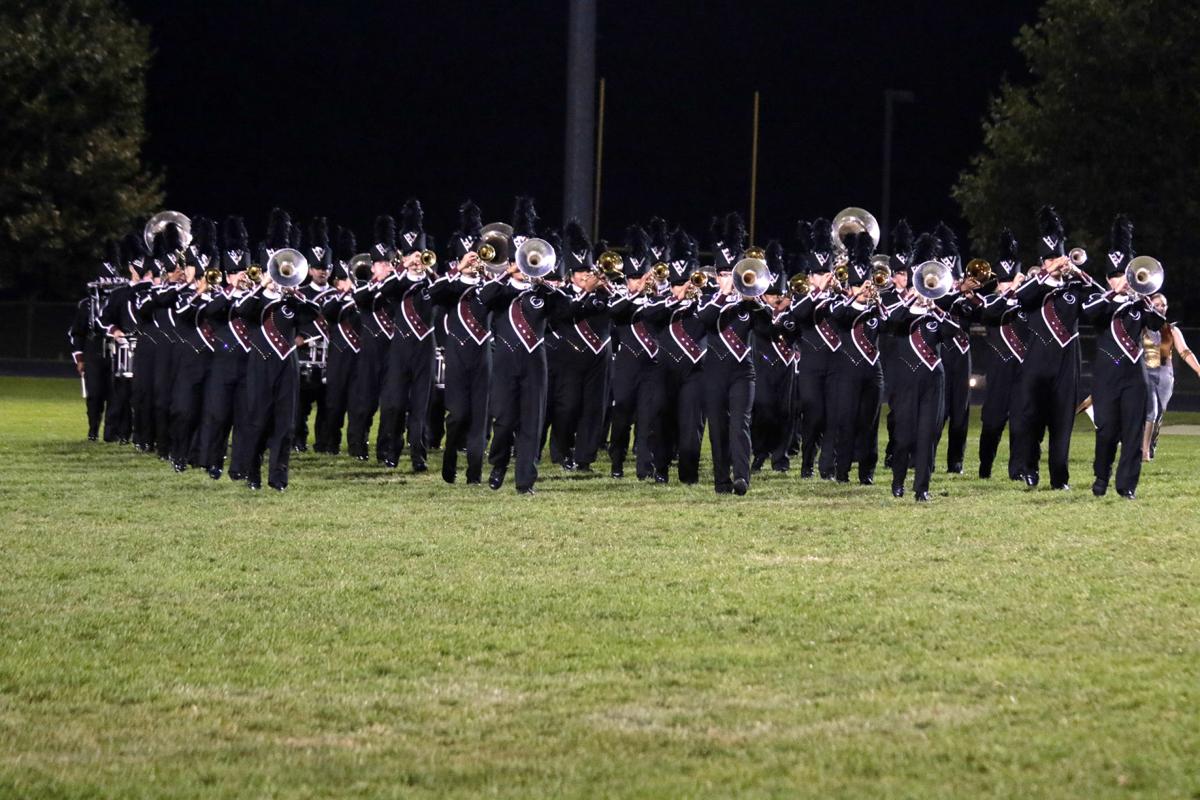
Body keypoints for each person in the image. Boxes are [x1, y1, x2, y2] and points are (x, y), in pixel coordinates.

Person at [480, 222, 570, 495]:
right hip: (505, 362)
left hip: (535, 364)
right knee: (504, 420)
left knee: (532, 422)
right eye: (519, 261)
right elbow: (484, 297)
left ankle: (525, 481)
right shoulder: (502, 293)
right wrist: (506, 275)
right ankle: (498, 463)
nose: (524, 267)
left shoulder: (542, 294)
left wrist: (545, 284)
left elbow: (566, 310)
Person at [1082, 215, 1166, 499]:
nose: (1123, 280)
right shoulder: (1098, 299)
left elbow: (1156, 324)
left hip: (1134, 376)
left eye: (1125, 274)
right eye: (1117, 275)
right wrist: (1113, 293)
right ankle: (1101, 476)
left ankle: (1126, 485)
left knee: (1132, 431)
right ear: (1108, 277)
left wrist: (1144, 296)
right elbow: (1090, 313)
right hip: (1106, 375)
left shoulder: (1140, 304)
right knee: (1106, 430)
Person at [1009, 206, 1087, 490]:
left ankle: (1059, 478)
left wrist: (1078, 272)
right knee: (1032, 420)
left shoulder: (1074, 288)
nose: (1057, 261)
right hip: (1036, 363)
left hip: (1068, 363)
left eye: (1059, 256)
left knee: (1062, 422)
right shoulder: (1034, 285)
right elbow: (1021, 298)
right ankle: (1030, 469)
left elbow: (1097, 304)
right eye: (1051, 257)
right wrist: (1047, 273)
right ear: (1043, 261)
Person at [698, 212, 774, 495]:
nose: (726, 278)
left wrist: (758, 302)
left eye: (730, 273)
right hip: (715, 373)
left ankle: (742, 477)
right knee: (717, 427)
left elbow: (767, 331)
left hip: (743, 371)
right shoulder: (708, 300)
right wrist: (722, 294)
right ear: (715, 275)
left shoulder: (749, 301)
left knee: (740, 423)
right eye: (721, 273)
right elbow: (703, 321)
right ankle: (721, 480)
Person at [884, 233, 964, 501]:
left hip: (934, 381)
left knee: (927, 435)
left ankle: (922, 488)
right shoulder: (902, 314)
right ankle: (898, 480)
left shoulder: (934, 316)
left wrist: (937, 310)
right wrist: (911, 300)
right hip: (906, 380)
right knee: (905, 436)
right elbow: (889, 321)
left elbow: (954, 331)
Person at [234, 263, 322, 491]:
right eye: (274, 273)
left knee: (286, 424)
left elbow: (313, 313)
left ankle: (278, 477)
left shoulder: (290, 302)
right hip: (260, 365)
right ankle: (252, 473)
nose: (278, 278)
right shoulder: (256, 300)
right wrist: (262, 286)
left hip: (287, 366)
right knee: (258, 420)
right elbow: (241, 310)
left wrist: (294, 293)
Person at [429, 203, 493, 484]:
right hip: (457, 357)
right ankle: (449, 461)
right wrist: (459, 269)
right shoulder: (451, 286)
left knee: (480, 418)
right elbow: (432, 292)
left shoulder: (489, 285)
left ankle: (475, 474)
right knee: (458, 416)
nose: (474, 260)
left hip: (484, 357)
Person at [377, 199, 436, 472]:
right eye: (412, 255)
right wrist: (403, 268)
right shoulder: (396, 280)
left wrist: (428, 270)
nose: (416, 259)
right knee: (394, 405)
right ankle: (391, 451)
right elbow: (385, 290)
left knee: (420, 407)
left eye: (420, 254)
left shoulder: (432, 281)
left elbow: (446, 290)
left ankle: (418, 456)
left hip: (425, 350)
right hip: (400, 349)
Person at [547, 219, 612, 472]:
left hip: (599, 359)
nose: (586, 275)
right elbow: (561, 315)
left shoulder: (604, 292)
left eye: (589, 270)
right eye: (580, 272)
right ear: (571, 274)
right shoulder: (561, 294)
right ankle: (561, 452)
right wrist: (585, 292)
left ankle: (585, 458)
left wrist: (606, 290)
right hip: (570, 358)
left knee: (594, 409)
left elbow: (618, 312)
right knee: (568, 406)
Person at [824, 233, 885, 485]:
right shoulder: (841, 304)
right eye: (858, 284)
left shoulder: (876, 307)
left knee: (869, 424)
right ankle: (842, 470)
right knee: (846, 421)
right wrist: (853, 296)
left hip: (873, 371)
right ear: (849, 285)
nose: (863, 289)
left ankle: (867, 471)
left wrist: (877, 301)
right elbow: (839, 317)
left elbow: (890, 323)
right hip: (846, 370)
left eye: (866, 284)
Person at [607, 224, 665, 480]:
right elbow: (615, 312)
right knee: (621, 417)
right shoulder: (619, 296)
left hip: (652, 366)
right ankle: (617, 461)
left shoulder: (657, 298)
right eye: (632, 278)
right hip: (626, 365)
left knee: (648, 419)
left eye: (640, 277)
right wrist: (635, 293)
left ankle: (645, 467)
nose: (636, 282)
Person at [976, 228, 1031, 480]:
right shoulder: (990, 302)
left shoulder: (1026, 303)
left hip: (1022, 371)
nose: (1009, 285)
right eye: (1004, 281)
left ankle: (1017, 469)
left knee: (1021, 423)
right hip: (998, 370)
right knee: (992, 422)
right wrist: (1012, 290)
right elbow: (989, 313)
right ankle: (985, 466)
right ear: (997, 283)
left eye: (1012, 280)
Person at [347, 215, 398, 461]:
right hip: (369, 354)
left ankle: (385, 450)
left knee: (391, 405)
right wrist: (378, 283)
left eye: (388, 264)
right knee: (364, 403)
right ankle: (358, 446)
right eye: (379, 264)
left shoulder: (398, 286)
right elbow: (361, 299)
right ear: (372, 266)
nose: (384, 268)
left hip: (393, 353)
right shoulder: (364, 287)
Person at [750, 241, 796, 473]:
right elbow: (767, 330)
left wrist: (786, 311)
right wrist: (778, 311)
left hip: (787, 366)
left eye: (779, 293)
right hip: (763, 366)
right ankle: (759, 453)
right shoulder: (758, 311)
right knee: (763, 410)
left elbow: (793, 331)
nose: (776, 297)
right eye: (771, 294)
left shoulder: (792, 312)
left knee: (785, 413)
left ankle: (781, 457)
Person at [1142, 293, 1200, 460]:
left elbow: (1184, 351)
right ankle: (1142, 449)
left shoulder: (1172, 329)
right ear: (1150, 305)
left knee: (1158, 413)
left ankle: (1150, 447)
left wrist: (1197, 369)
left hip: (1165, 375)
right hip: (1145, 373)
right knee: (1149, 410)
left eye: (1164, 305)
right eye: (1158, 304)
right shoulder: (1141, 326)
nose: (1161, 307)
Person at [295, 216, 334, 453]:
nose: (323, 271)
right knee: (300, 407)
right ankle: (298, 441)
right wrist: (298, 337)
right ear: (310, 269)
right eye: (319, 267)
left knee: (328, 407)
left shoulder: (337, 294)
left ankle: (323, 444)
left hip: (329, 358)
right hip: (304, 357)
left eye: (326, 267)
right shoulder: (300, 293)